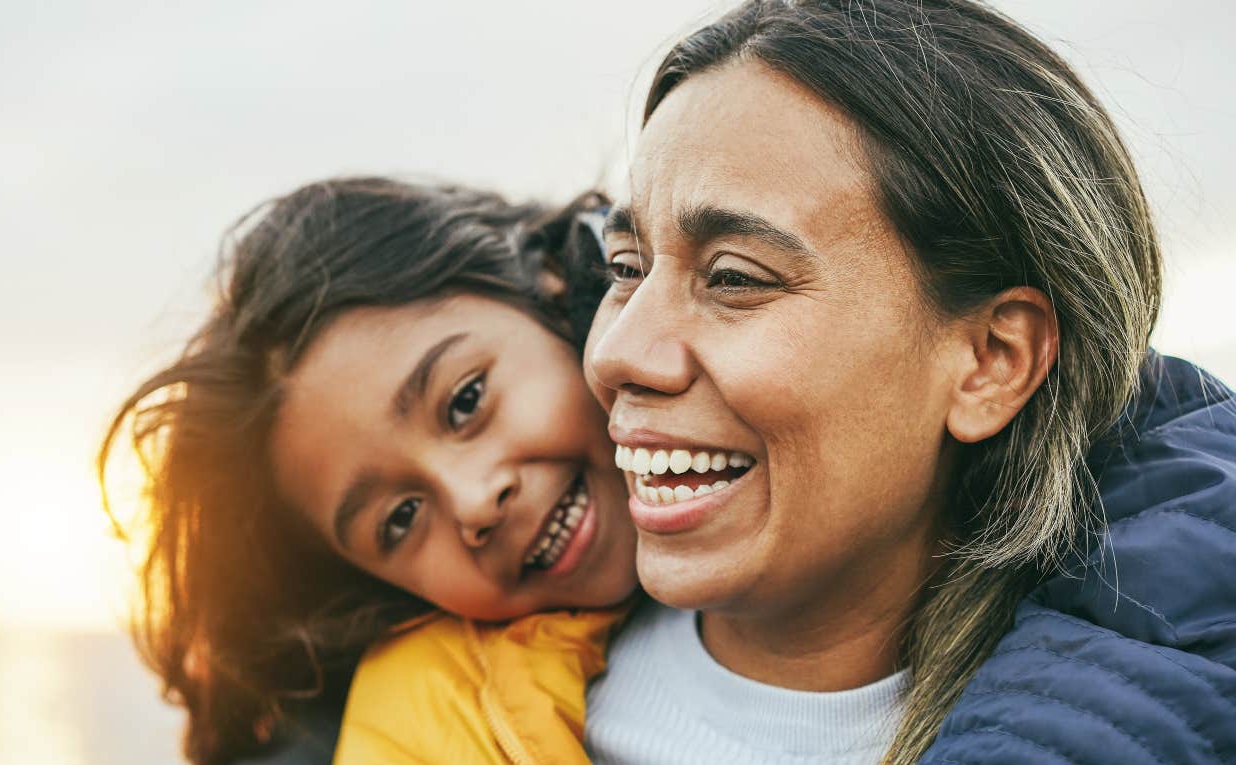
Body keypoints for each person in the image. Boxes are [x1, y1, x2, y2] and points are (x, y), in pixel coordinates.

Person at [330, 1, 1235, 764]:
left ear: (992, 360)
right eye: (627, 266)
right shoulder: (467, 727)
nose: (615, 356)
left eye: (733, 277)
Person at [98, 176, 642, 764]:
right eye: (401, 519)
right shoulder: (411, 726)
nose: (472, 501)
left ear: (558, 282)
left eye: (464, 402)